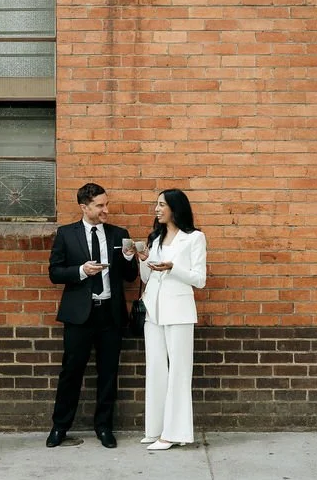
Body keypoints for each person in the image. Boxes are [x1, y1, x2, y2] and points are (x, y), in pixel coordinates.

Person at [46, 183, 138, 449]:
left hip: (110, 314)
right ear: (84, 207)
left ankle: (104, 427)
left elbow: (130, 277)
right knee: (71, 372)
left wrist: (130, 258)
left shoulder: (119, 234)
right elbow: (55, 273)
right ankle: (60, 427)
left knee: (108, 373)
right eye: (99, 205)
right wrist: (82, 271)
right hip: (79, 317)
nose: (105, 210)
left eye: (106, 204)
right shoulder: (66, 234)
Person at [135, 188, 207, 451]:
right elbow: (146, 278)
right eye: (156, 204)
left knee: (178, 371)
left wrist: (173, 267)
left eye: (162, 204)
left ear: (175, 208)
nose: (157, 209)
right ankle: (155, 429)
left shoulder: (194, 238)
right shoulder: (155, 238)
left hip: (179, 310)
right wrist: (143, 260)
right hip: (153, 309)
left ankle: (174, 432)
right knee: (155, 368)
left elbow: (199, 279)